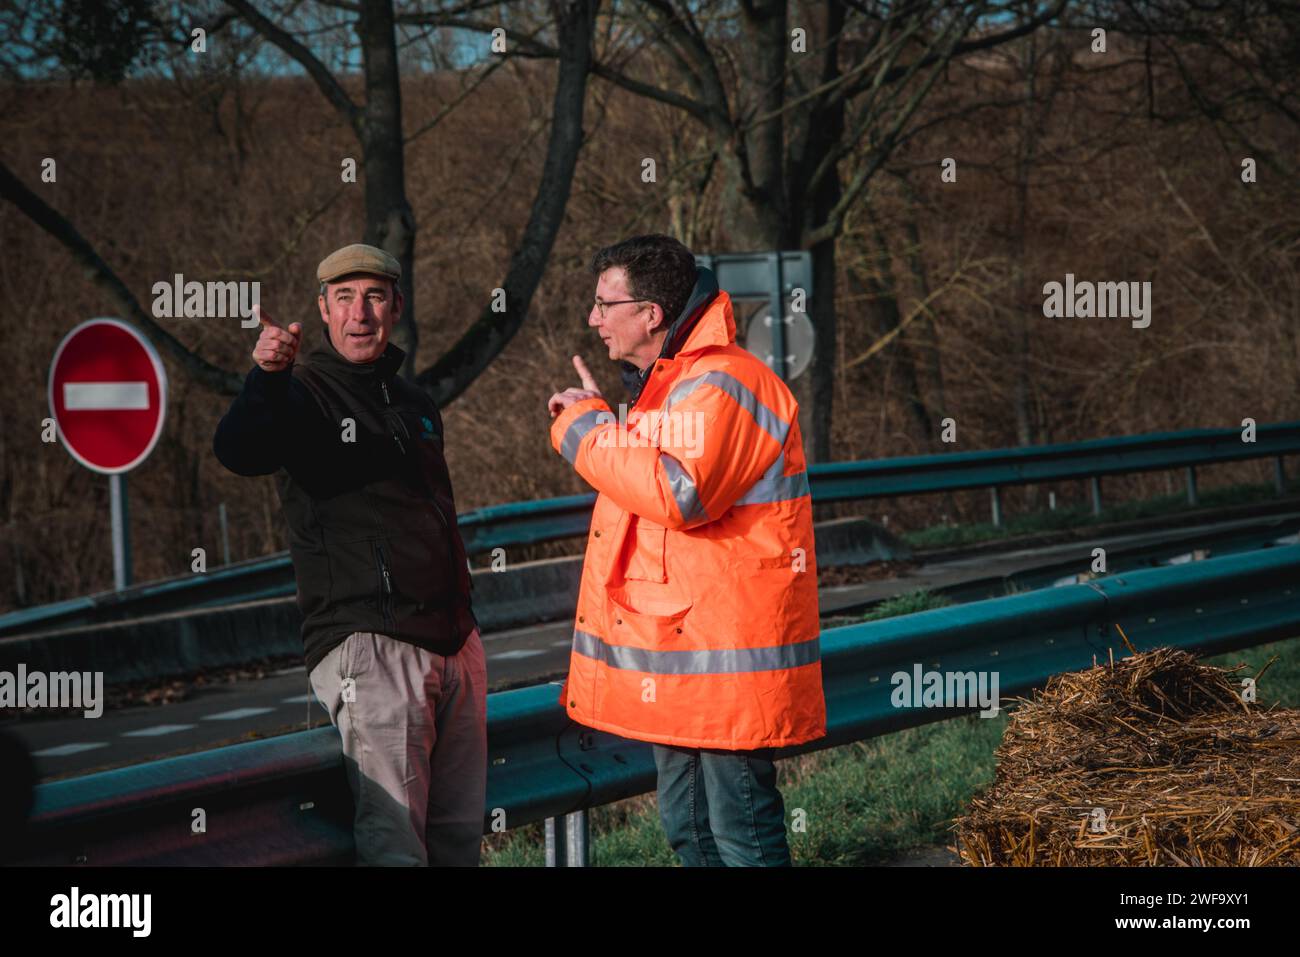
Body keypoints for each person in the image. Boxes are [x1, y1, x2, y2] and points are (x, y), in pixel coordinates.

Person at [547, 234, 826, 866]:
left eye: (602, 303)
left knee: (741, 837)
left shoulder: (725, 383)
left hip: (727, 665)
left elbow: (679, 492)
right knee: (690, 834)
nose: (593, 319)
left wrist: (586, 429)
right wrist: (604, 424)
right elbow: (652, 481)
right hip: (687, 659)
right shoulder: (671, 387)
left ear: (650, 314)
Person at [213, 243, 486, 866]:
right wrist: (266, 377)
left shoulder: (413, 400)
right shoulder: (301, 391)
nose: (359, 313)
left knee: (458, 849)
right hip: (372, 645)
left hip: (455, 643)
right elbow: (238, 450)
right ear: (323, 309)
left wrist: (466, 631)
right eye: (343, 298)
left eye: (373, 296)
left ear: (395, 305)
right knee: (397, 852)